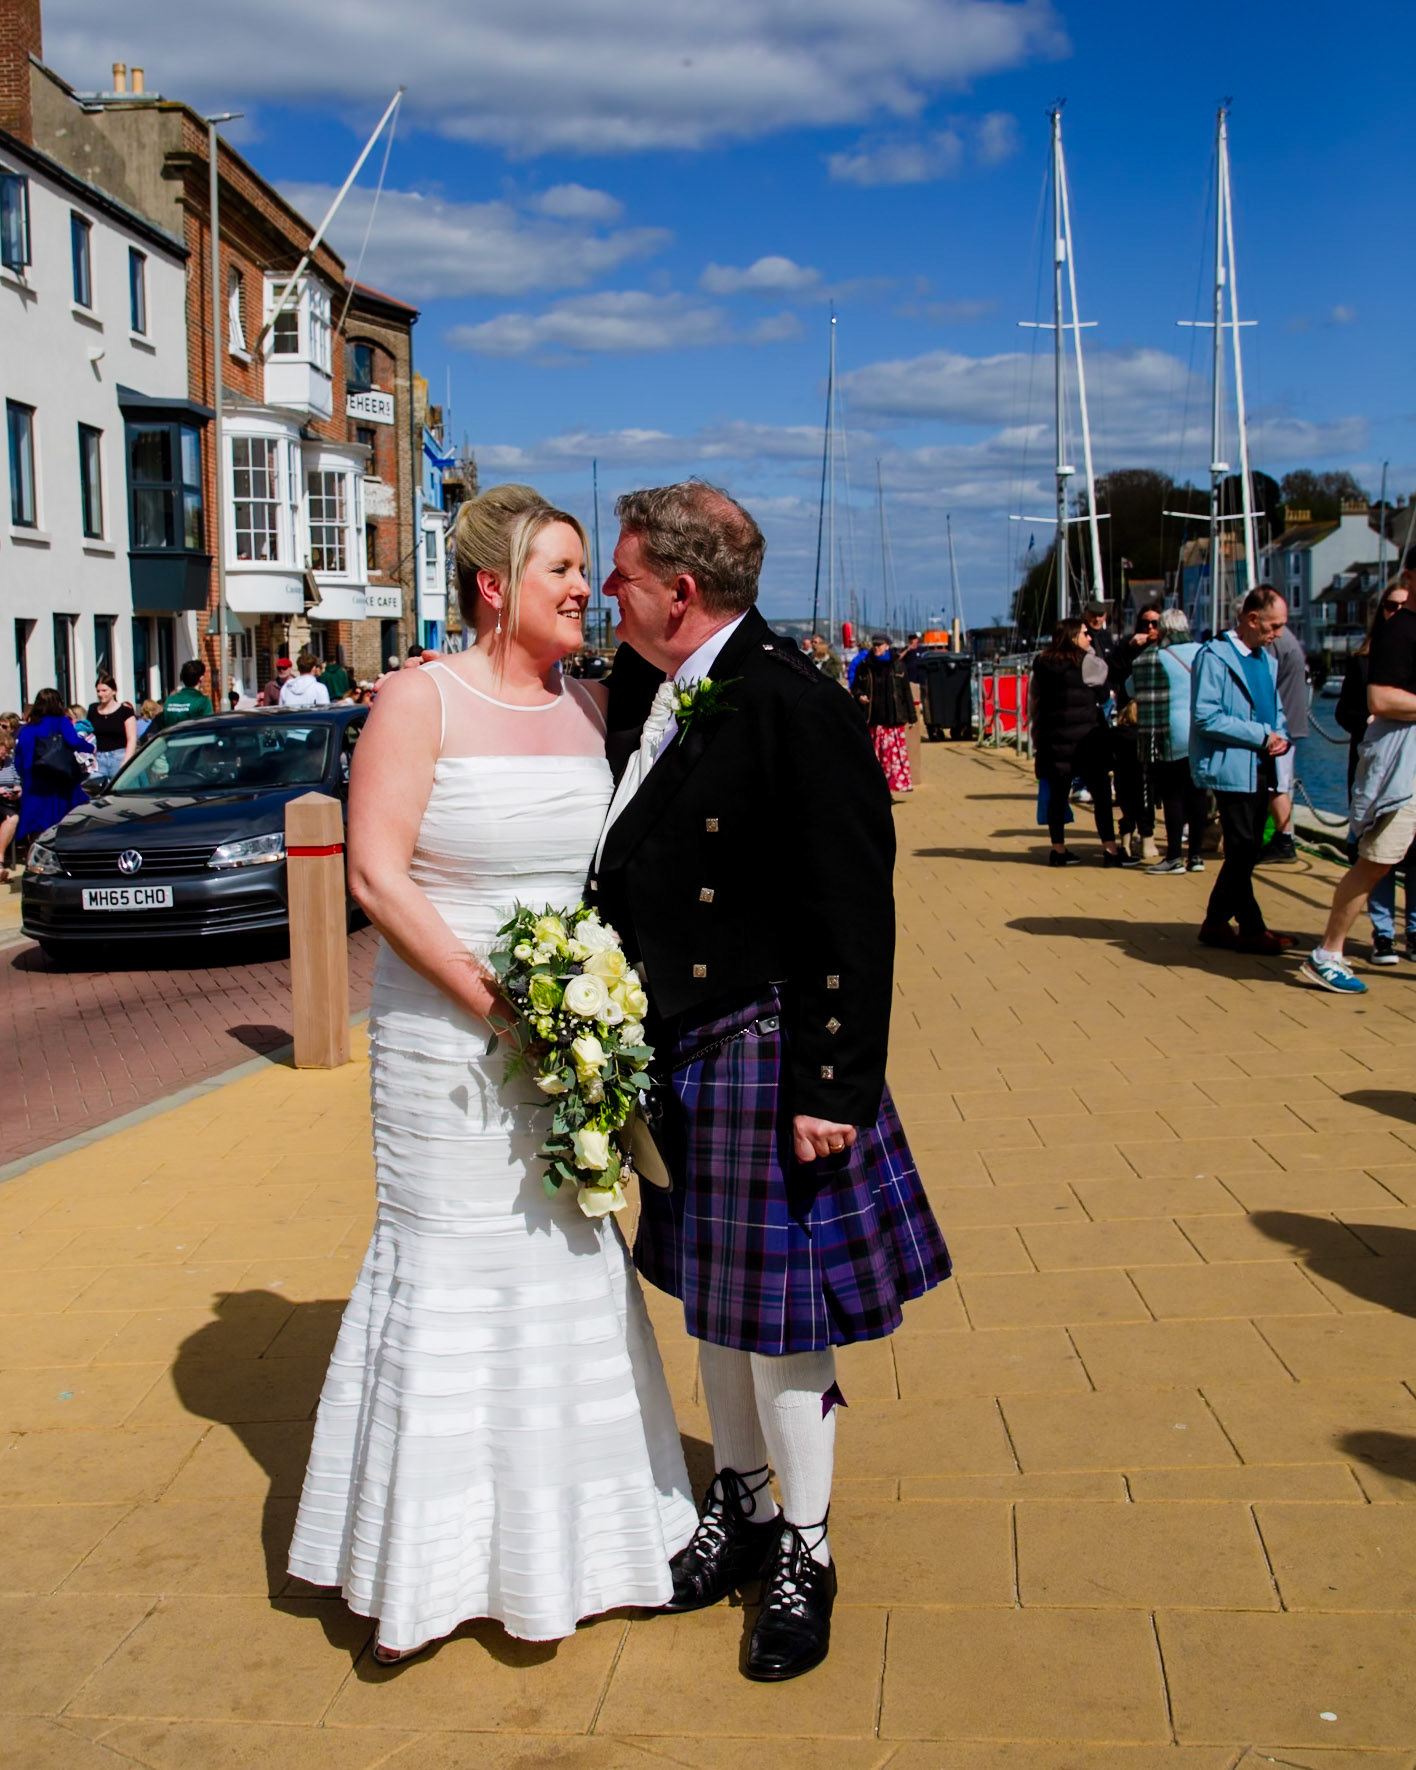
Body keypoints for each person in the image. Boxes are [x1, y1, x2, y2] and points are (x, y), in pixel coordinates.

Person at [287, 484, 696, 1662]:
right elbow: (377, 876)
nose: (584, 590)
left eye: (584, 569)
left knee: (565, 1256)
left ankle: (588, 1546)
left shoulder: (594, 704)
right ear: (492, 585)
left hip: (572, 1036)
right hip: (450, 1044)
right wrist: (502, 1010)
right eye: (560, 569)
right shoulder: (420, 699)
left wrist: (597, 1012)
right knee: (455, 1263)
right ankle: (428, 1567)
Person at [592, 481, 950, 1682]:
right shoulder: (656, 683)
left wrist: (833, 1088)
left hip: (766, 1051)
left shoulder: (798, 704)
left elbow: (853, 908)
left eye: (623, 576)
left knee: (783, 1327)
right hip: (683, 1049)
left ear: (680, 591)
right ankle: (742, 1505)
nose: (609, 595)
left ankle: (808, 1544)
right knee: (715, 1304)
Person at [1303, 550, 1416, 994]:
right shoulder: (1397, 631)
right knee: (1375, 862)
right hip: (1402, 767)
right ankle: (1327, 953)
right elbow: (1380, 700)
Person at [1189, 585, 1292, 955]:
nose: (1278, 633)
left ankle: (1217, 921)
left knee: (1246, 848)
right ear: (1252, 618)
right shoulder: (1214, 656)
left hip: (1261, 763)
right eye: (1274, 626)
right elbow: (1206, 716)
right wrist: (1262, 735)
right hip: (1231, 765)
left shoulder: (1266, 659)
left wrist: (1280, 736)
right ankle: (1250, 927)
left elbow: (1274, 709)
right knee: (1242, 848)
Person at [1335, 578, 1414, 962]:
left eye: (1401, 605)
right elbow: (1368, 704)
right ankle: (1374, 936)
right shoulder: (1372, 652)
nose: (1396, 611)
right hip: (1386, 767)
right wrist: (1367, 722)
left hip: (1407, 764)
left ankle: (1412, 929)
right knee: (1376, 858)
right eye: (1390, 605)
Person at [1031, 617, 1131, 868]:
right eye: (1085, 633)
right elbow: (1104, 687)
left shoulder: (1042, 662)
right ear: (1073, 636)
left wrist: (1037, 738)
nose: (1089, 638)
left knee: (1058, 796)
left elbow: (1036, 701)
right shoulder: (1086, 661)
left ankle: (1058, 850)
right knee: (1101, 795)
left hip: (1054, 740)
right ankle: (1110, 849)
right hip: (1086, 740)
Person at [1132, 609, 1207, 874]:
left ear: (1163, 630)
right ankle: (1196, 856)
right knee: (1197, 795)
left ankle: (1174, 856)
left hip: (1168, 732)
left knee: (1173, 795)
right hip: (1201, 732)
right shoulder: (1204, 653)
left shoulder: (1154, 657)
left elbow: (1131, 688)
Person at [1109, 604, 1162, 860]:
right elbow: (1114, 673)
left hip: (1157, 720)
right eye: (1145, 623)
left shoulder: (1166, 649)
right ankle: (1130, 835)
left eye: (1155, 623)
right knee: (1130, 782)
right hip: (1130, 719)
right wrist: (1130, 648)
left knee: (1149, 783)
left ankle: (1145, 834)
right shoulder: (1127, 646)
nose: (1149, 628)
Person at [13, 687, 93, 843]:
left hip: (34, 784)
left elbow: (19, 758)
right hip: (59, 783)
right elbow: (73, 741)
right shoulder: (60, 722)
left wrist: (25, 776)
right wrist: (90, 747)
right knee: (63, 826)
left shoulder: (28, 728)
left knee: (37, 829)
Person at [1261, 621, 1309, 864]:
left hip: (1281, 726)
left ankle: (1284, 839)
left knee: (1277, 785)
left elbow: (1265, 681)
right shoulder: (1288, 641)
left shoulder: (1274, 643)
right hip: (1289, 721)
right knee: (1280, 783)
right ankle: (1282, 837)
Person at [853, 632, 916, 794]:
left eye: (879, 645)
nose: (876, 648)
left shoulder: (898, 665)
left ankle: (893, 786)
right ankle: (877, 788)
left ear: (887, 646)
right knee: (875, 758)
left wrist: (912, 717)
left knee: (893, 757)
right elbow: (856, 686)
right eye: (874, 645)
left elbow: (906, 691)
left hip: (892, 719)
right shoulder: (865, 665)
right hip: (873, 719)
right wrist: (860, 696)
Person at [86, 672, 137, 783]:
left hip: (119, 756)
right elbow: (88, 734)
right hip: (99, 758)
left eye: (104, 690)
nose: (100, 694)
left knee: (119, 788)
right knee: (95, 788)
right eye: (98, 691)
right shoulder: (92, 710)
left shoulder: (125, 711)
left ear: (113, 691)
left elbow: (132, 738)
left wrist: (126, 760)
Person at [156, 659, 213, 730]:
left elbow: (162, 727)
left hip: (172, 737)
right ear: (201, 678)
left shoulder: (170, 700)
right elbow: (208, 728)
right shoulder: (203, 702)